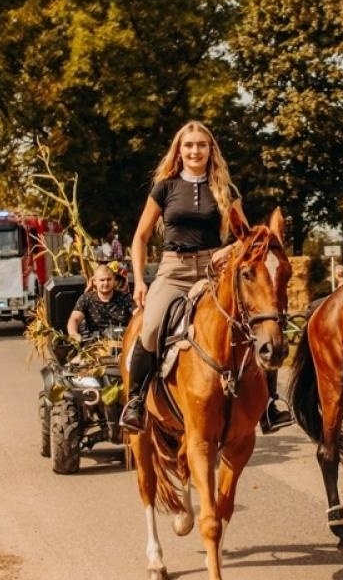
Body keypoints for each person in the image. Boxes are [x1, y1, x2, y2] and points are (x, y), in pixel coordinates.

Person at [120, 120, 293, 432]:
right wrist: (140, 280)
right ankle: (135, 400)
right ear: (179, 150)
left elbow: (247, 239)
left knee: (255, 325)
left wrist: (227, 251)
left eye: (201, 144)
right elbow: (140, 237)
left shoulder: (227, 190)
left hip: (216, 271)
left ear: (211, 149)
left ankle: (269, 404)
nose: (195, 150)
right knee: (151, 326)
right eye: (188, 145)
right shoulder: (165, 188)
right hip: (174, 271)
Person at [68, 265, 137, 342]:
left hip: (122, 342)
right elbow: (75, 319)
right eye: (102, 280)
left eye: (109, 279)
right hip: (95, 344)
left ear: (114, 280)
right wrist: (73, 334)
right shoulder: (86, 298)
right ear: (95, 281)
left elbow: (138, 315)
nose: (106, 283)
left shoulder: (125, 297)